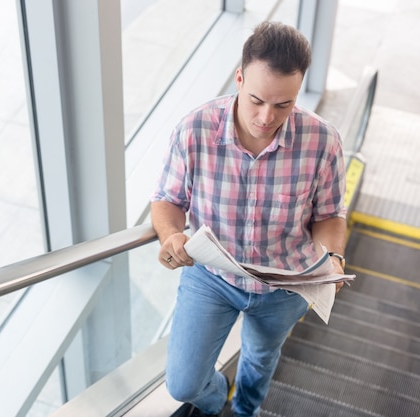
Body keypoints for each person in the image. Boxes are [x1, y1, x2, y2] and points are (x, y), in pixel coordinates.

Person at [149, 21, 347, 417]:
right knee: (183, 383)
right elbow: (167, 200)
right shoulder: (194, 130)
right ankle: (217, 396)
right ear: (239, 78)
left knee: (261, 356)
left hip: (286, 283)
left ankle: (246, 410)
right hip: (212, 277)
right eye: (256, 99)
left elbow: (329, 215)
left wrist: (333, 260)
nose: (266, 117)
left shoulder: (323, 141)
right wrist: (170, 234)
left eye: (283, 104)